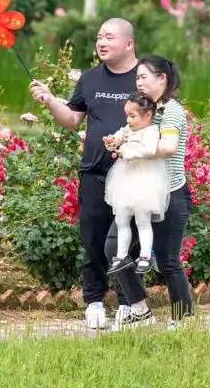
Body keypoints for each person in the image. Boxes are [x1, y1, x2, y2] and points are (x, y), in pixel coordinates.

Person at [29, 17, 139, 331]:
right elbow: (72, 120)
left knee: (125, 240)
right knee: (92, 240)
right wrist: (51, 100)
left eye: (109, 37)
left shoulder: (144, 78)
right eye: (99, 37)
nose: (101, 42)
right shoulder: (90, 79)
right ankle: (93, 302)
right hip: (94, 172)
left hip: (132, 174)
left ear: (129, 43)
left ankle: (128, 303)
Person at [105, 54, 193, 326]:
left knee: (168, 261)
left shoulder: (172, 111)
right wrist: (118, 144)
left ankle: (183, 319)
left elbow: (168, 148)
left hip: (170, 194)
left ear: (162, 79)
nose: (138, 82)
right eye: (137, 78)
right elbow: (127, 132)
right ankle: (140, 309)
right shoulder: (145, 109)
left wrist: (132, 151)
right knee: (113, 249)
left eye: (143, 77)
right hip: (137, 192)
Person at [104, 94, 170, 275]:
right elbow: (119, 135)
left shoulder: (151, 131)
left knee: (142, 220)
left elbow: (149, 150)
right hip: (125, 179)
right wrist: (112, 142)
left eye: (132, 116)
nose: (128, 120)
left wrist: (127, 152)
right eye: (127, 115)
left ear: (148, 115)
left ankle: (145, 256)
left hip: (144, 181)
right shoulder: (129, 129)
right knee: (121, 219)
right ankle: (121, 255)